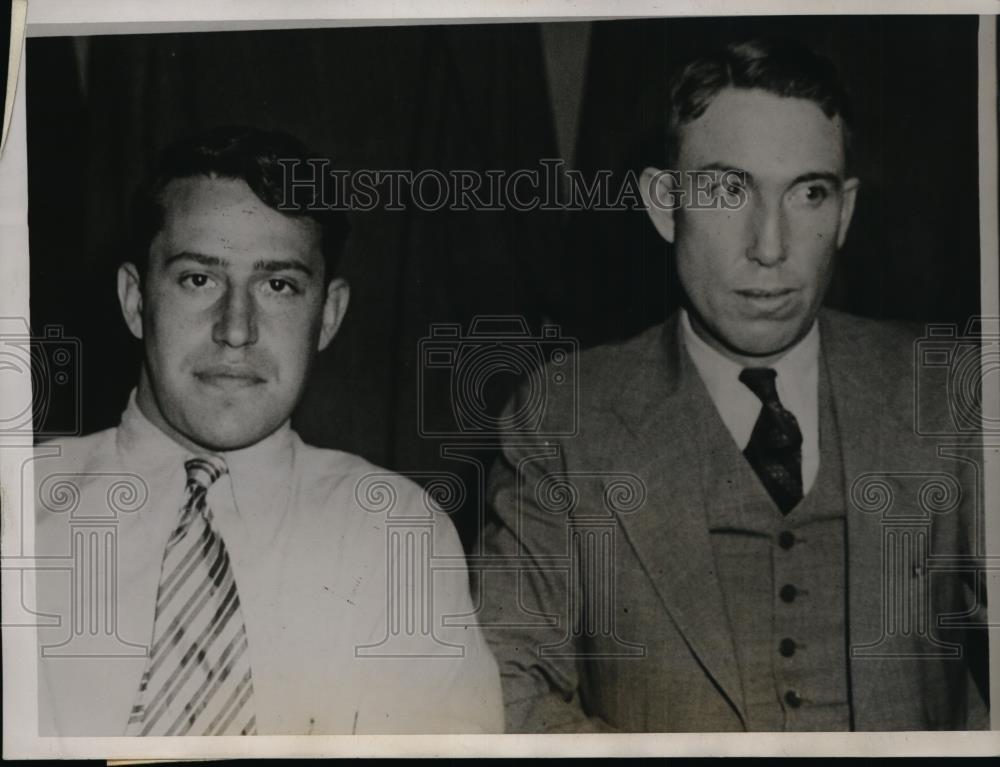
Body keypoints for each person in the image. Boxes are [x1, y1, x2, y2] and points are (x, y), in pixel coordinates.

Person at [477, 38, 989, 732]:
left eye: (808, 193)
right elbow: (507, 684)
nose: (770, 246)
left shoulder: (953, 392)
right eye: (726, 189)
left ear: (843, 212)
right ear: (664, 204)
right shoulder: (561, 420)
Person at [33, 126, 503, 736]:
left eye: (278, 285)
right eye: (199, 279)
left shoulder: (394, 536)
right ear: (134, 300)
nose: (236, 329)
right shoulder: (19, 509)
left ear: (327, 315)